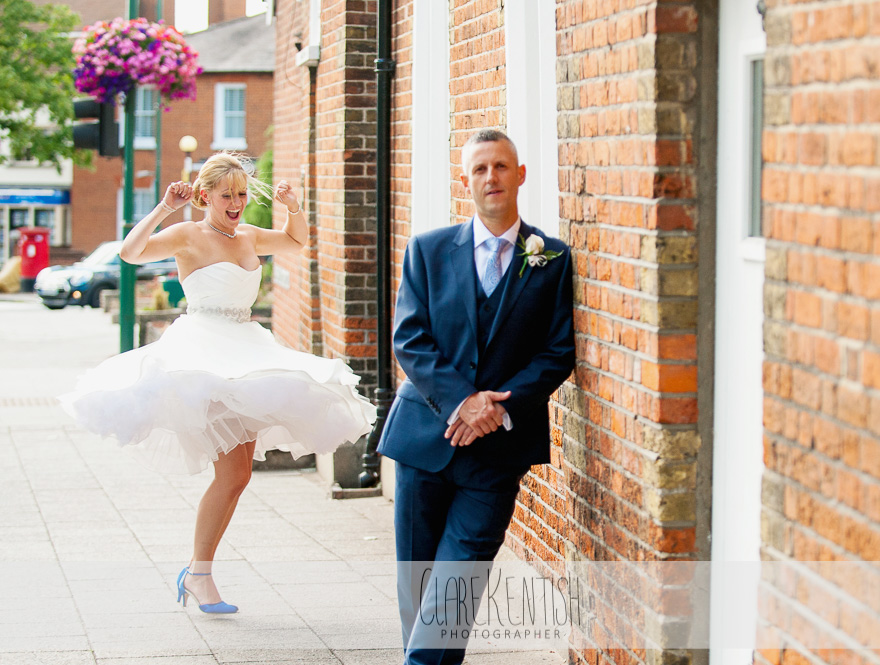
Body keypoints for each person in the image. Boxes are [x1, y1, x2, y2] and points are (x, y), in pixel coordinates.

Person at [61, 152, 376, 614]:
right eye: (226, 195)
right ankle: (199, 574)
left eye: (241, 194)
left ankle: (198, 572)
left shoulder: (248, 235)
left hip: (245, 349)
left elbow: (295, 240)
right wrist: (165, 208)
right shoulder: (188, 235)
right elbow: (130, 253)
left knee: (239, 475)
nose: (236, 203)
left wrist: (293, 205)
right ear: (205, 195)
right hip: (204, 356)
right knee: (231, 475)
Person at [377, 129, 576, 664]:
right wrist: (464, 401)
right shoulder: (428, 250)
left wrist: (498, 407)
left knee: (454, 587)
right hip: (424, 443)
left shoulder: (552, 259)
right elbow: (410, 339)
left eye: (501, 166)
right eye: (480, 169)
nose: (492, 177)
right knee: (418, 591)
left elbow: (558, 351)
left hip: (496, 455)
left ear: (520, 174)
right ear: (464, 180)